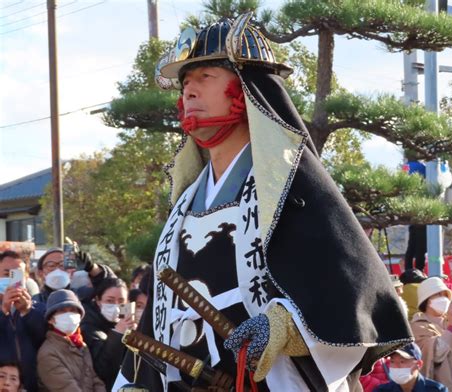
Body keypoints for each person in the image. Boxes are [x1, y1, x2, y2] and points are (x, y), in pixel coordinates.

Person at [116, 14, 412, 392]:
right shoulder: (186, 201)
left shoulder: (289, 188)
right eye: (185, 82)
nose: (189, 91)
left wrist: (284, 325)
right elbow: (162, 311)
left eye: (204, 77)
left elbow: (352, 289)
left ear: (245, 89)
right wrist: (139, 380)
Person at [37, 289, 106, 392]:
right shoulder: (47, 353)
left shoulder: (81, 344)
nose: (69, 315)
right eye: (62, 311)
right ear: (51, 319)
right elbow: (67, 388)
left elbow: (95, 379)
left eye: (73, 310)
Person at [411, 277, 452, 391]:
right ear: (426, 300)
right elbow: (435, 354)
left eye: (445, 295)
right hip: (439, 386)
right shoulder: (418, 326)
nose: (443, 299)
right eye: (438, 295)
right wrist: (451, 328)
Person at [0, 251, 46, 392]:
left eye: (17, 275)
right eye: (6, 274)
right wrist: (3, 312)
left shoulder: (39, 308)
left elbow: (44, 339)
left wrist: (27, 312)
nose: (11, 280)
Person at [81, 278, 136, 391]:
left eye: (121, 301)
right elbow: (102, 370)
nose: (116, 306)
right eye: (110, 301)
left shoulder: (126, 324)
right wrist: (118, 333)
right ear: (98, 300)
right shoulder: (88, 327)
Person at [33, 248, 116, 305]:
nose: (57, 269)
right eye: (51, 265)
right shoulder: (34, 302)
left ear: (72, 272)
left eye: (63, 265)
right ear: (41, 273)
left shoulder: (83, 296)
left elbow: (112, 286)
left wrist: (91, 267)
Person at [373, 343, 447, 392]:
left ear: (419, 364)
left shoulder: (437, 390)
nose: (396, 366)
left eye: (402, 362)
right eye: (392, 362)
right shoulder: (381, 390)